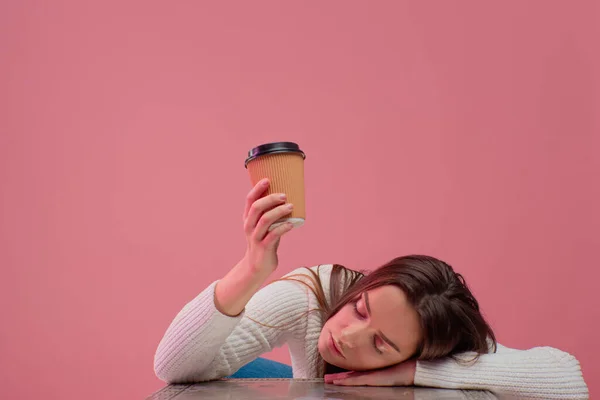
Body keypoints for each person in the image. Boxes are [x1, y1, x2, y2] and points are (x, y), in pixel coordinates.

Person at [153, 179, 588, 399]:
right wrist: (251, 269)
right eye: (360, 310)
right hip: (300, 383)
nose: (346, 335)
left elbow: (569, 381)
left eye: (380, 344)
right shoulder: (315, 295)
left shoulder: (433, 344)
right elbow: (174, 367)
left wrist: (414, 374)